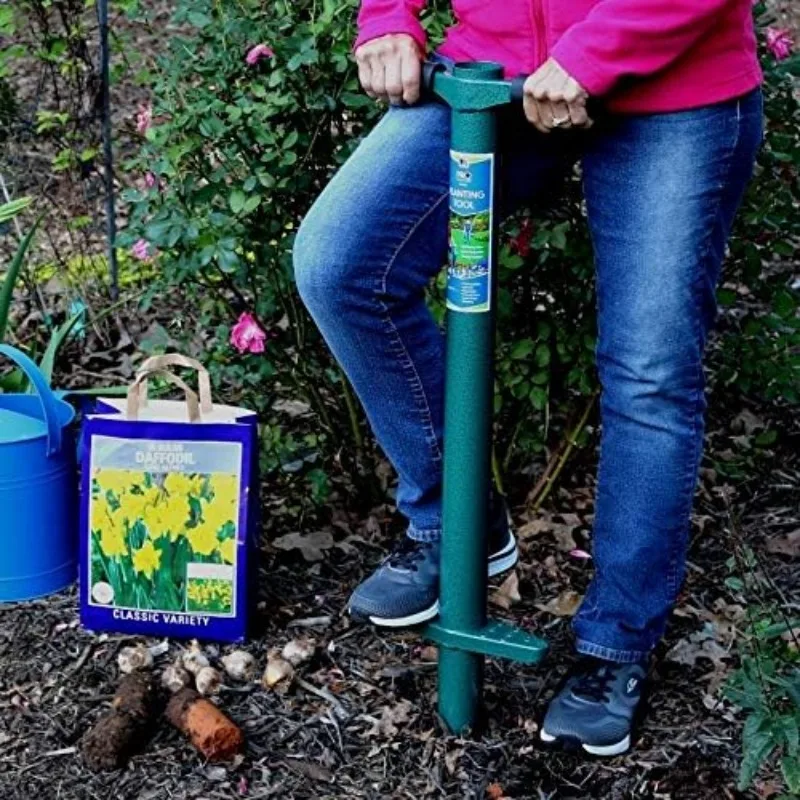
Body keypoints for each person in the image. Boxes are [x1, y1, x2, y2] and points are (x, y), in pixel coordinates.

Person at [293, 0, 763, 756]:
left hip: (675, 91)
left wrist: (594, 54)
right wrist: (387, 15)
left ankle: (616, 647)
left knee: (648, 376)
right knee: (340, 263)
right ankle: (458, 523)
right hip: (496, 76)